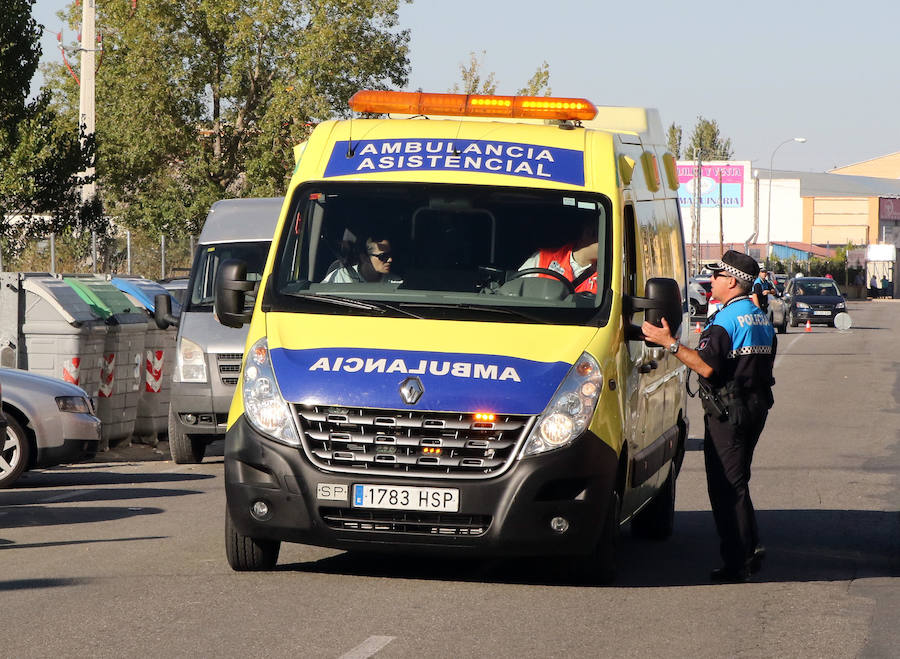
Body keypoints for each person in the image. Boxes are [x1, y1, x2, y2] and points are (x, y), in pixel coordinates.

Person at [642, 249, 776, 583]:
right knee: (738, 480)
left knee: (727, 487)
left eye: (716, 276)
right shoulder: (758, 316)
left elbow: (705, 366)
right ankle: (750, 546)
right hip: (755, 405)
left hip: (728, 410)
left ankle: (740, 560)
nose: (711, 281)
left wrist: (668, 342)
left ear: (732, 281)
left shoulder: (725, 321)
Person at [518, 220, 598, 293]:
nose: (610, 246)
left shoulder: (607, 275)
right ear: (588, 233)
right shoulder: (543, 259)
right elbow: (516, 291)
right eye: (606, 239)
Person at [323, 237, 394, 283]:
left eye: (390, 254)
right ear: (364, 258)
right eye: (383, 256)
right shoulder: (340, 277)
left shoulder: (395, 282)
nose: (390, 259)